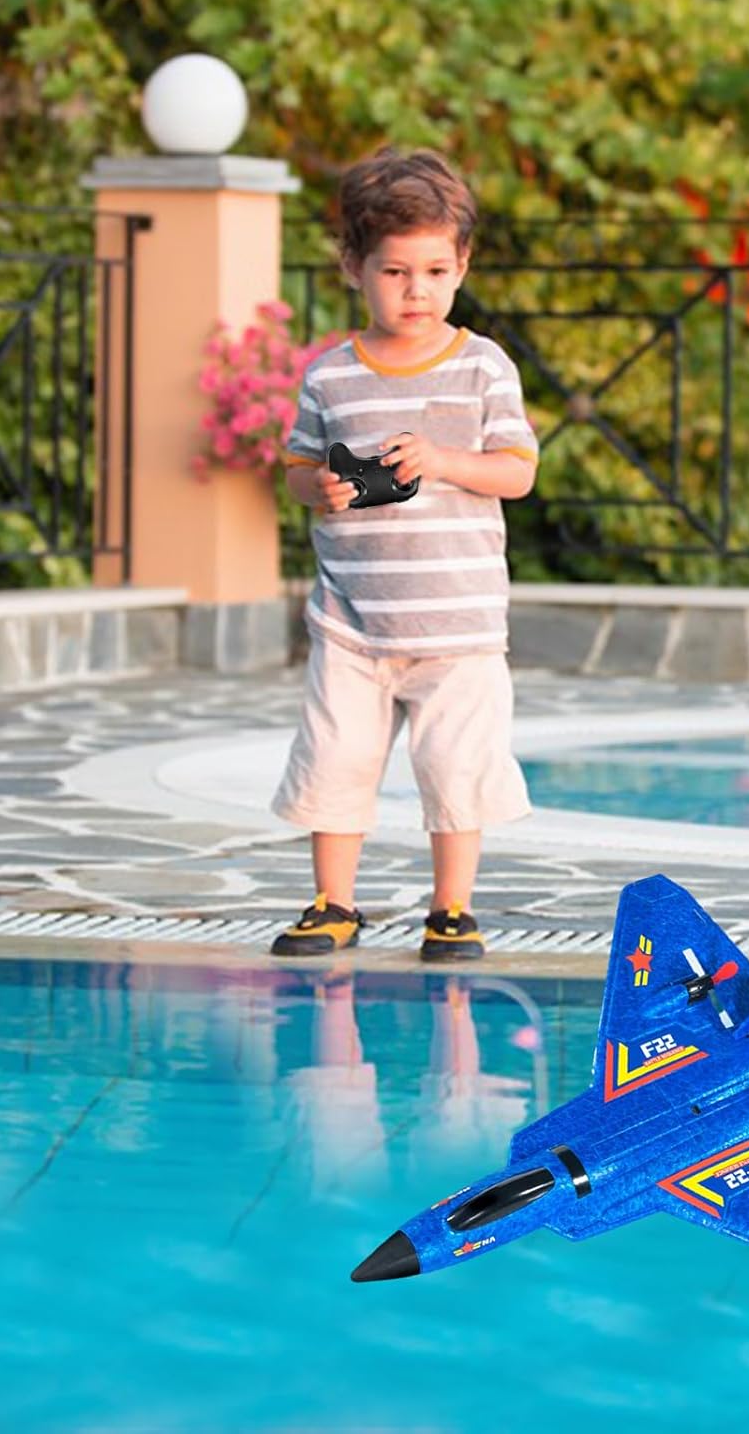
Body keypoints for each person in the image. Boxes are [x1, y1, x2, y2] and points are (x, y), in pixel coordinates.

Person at [269, 147, 537, 962]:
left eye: (434, 272)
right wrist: (322, 489)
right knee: (335, 757)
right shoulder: (331, 376)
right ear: (354, 267)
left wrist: (444, 460)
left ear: (462, 267)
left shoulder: (483, 367)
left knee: (456, 768)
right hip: (352, 621)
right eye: (394, 272)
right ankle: (333, 902)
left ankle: (451, 908)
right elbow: (296, 468)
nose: (415, 290)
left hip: (457, 624)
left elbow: (518, 472)